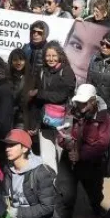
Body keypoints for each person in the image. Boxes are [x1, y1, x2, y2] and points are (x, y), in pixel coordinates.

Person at [57, 83, 110, 218]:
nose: (80, 106)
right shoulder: (71, 112)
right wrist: (65, 143)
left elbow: (102, 144)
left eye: (84, 102)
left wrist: (81, 155)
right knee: (66, 197)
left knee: (94, 191)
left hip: (91, 163)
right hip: (69, 160)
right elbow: (62, 133)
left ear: (93, 101)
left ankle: (96, 206)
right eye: (78, 102)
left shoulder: (104, 118)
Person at [1, 129, 61, 218]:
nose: (7, 149)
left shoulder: (40, 172)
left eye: (12, 145)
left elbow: (47, 207)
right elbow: (6, 196)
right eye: (6, 145)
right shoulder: (8, 170)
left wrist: (17, 213)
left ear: (24, 148)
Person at [35, 42, 77, 173]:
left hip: (63, 121)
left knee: (61, 153)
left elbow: (61, 96)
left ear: (60, 56)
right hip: (45, 120)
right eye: (48, 55)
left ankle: (61, 181)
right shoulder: (42, 71)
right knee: (46, 155)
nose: (51, 59)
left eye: (54, 55)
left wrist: (39, 94)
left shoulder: (66, 71)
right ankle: (50, 181)